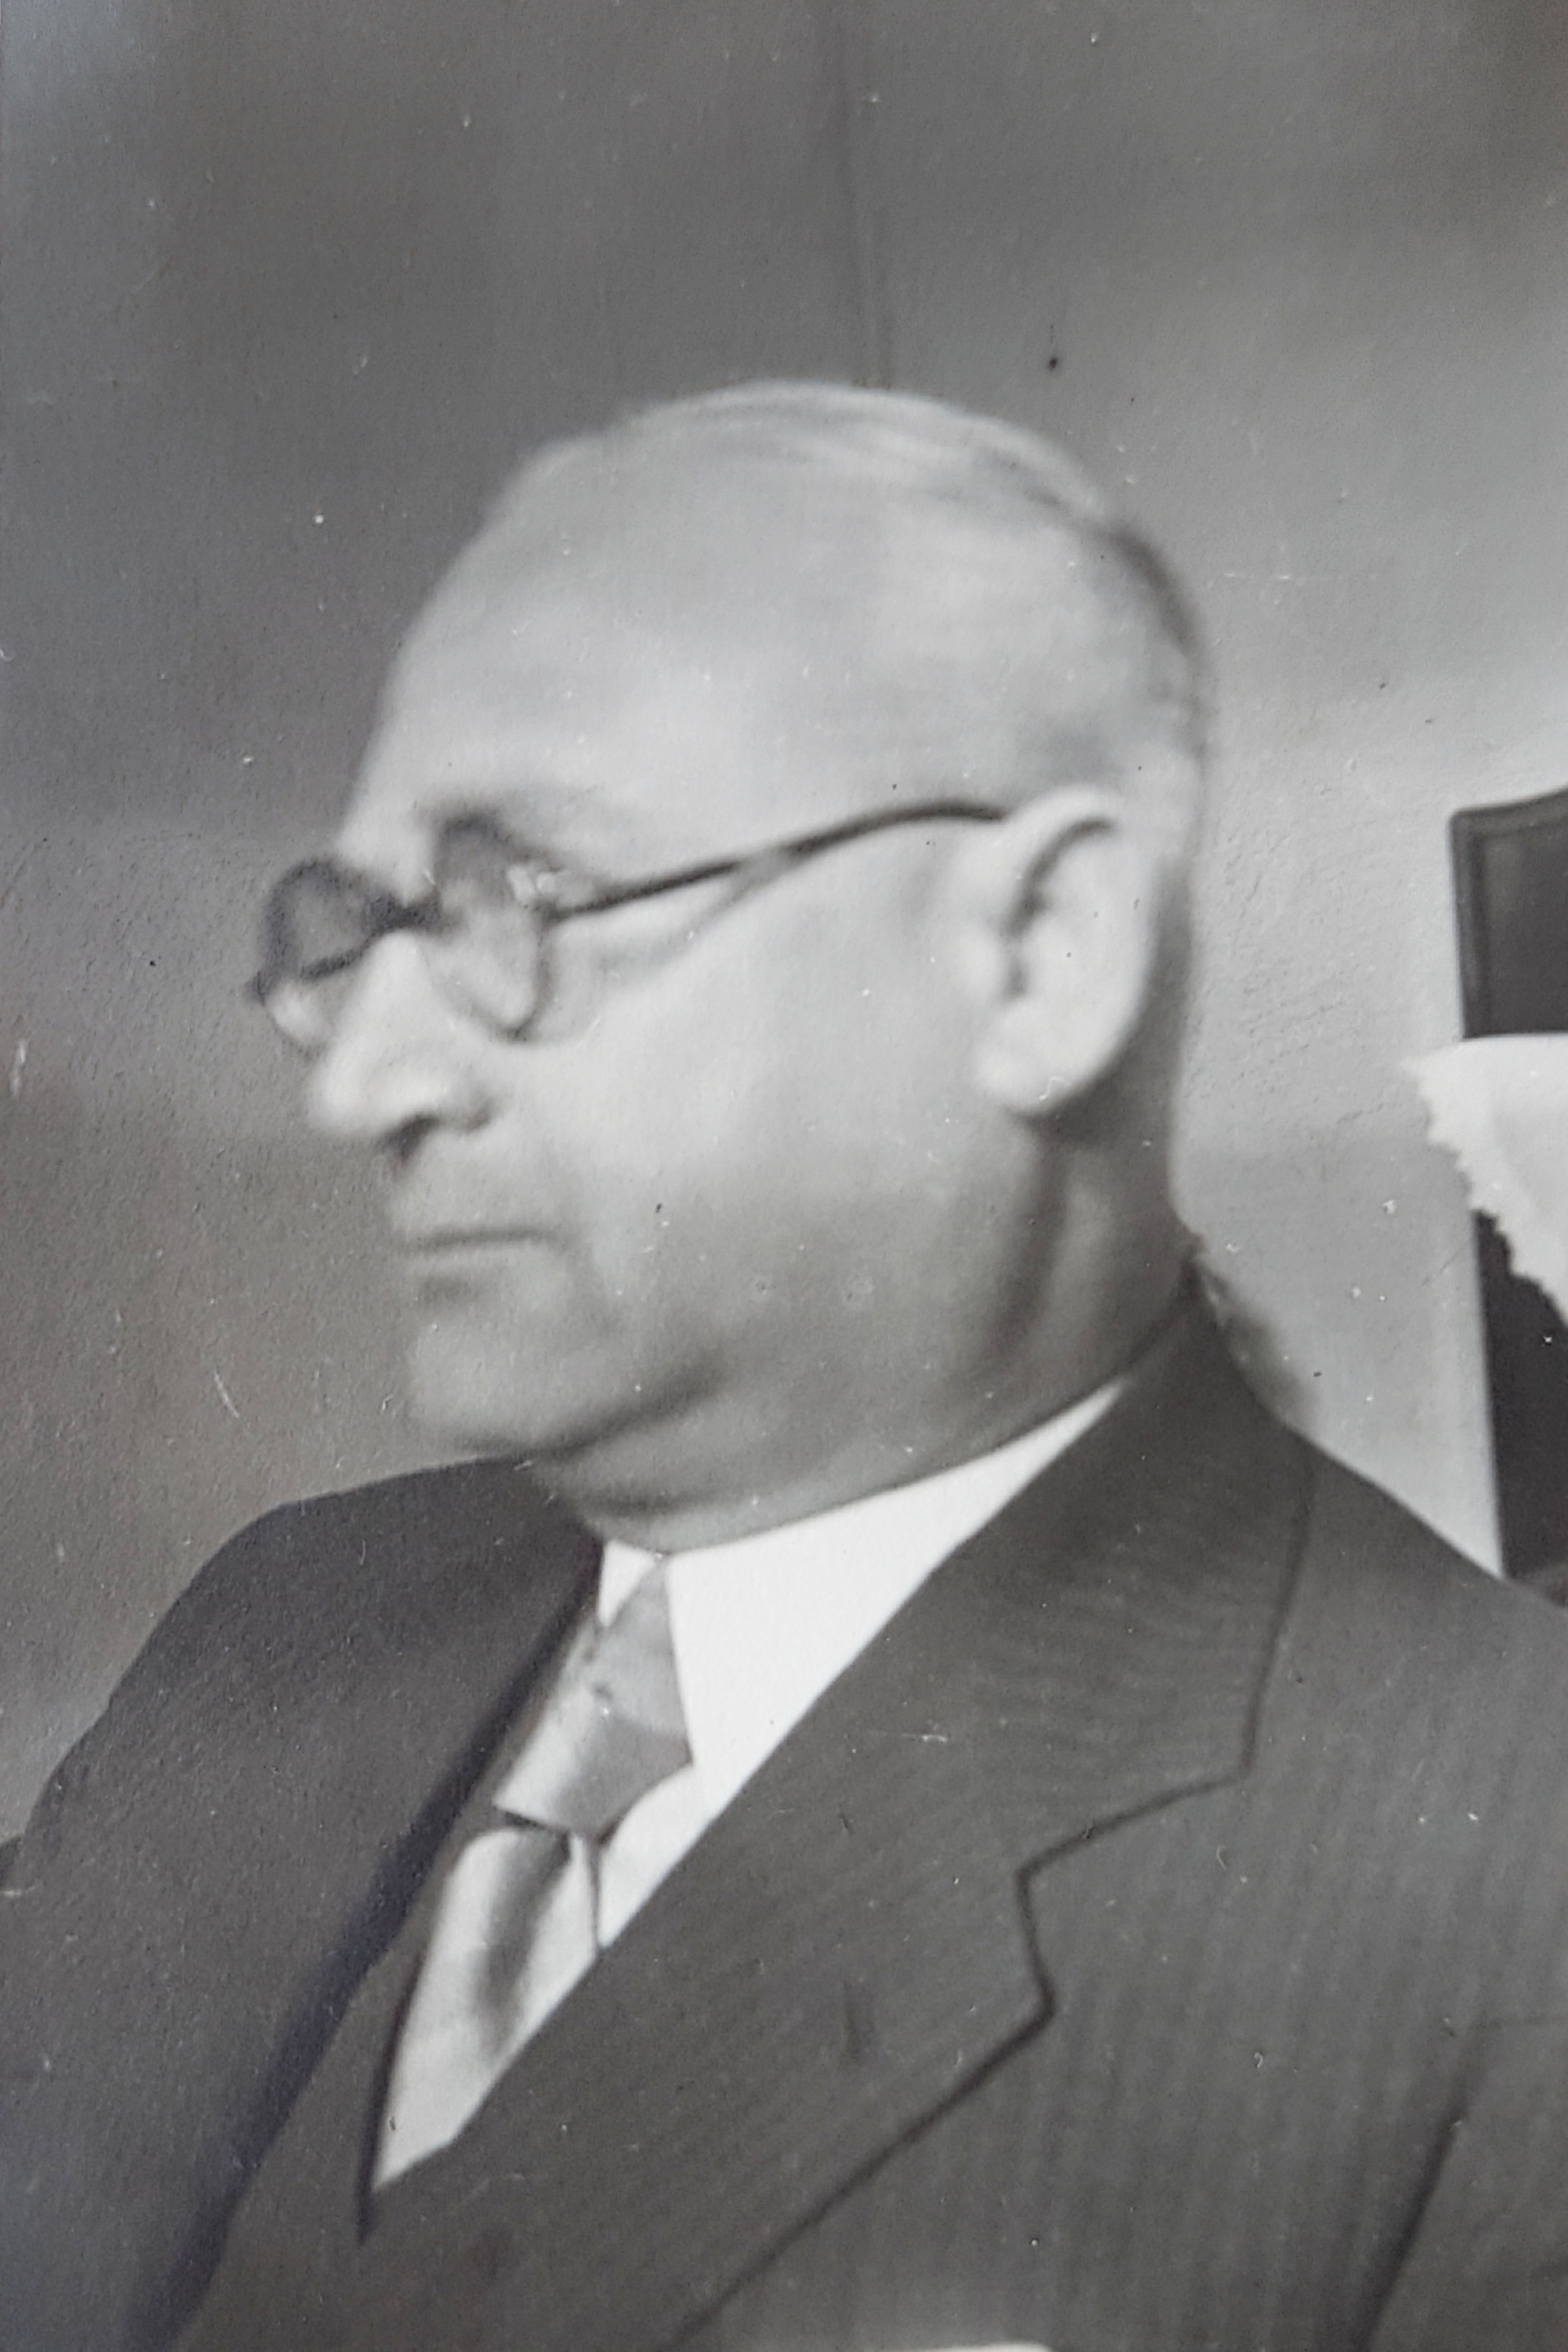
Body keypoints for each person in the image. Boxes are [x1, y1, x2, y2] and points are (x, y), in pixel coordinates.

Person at [4, 383, 1566, 2352]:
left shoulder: (1513, 1890)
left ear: (1042, 954)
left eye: (528, 900)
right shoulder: (284, 1626)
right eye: (360, 931)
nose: (365, 1081)